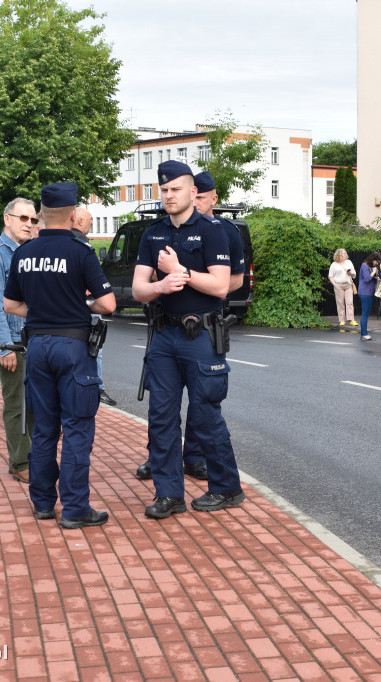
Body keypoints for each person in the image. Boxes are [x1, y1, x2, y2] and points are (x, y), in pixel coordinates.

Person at [132, 161, 243, 519]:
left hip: (202, 336)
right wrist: (160, 287)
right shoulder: (153, 234)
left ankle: (227, 488)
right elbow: (138, 289)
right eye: (163, 190)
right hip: (164, 335)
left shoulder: (213, 231)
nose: (167, 195)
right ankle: (169, 494)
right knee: (161, 416)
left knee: (205, 415)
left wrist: (180, 272)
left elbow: (222, 286)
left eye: (175, 189)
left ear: (193, 192)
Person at [3, 182, 116, 528]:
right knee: (78, 428)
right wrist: (78, 305)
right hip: (72, 346)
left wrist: (41, 312)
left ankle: (41, 503)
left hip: (37, 346)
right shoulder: (81, 253)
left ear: (42, 215)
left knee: (44, 429)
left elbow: (9, 304)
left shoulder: (23, 252)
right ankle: (75, 509)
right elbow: (108, 304)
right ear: (71, 215)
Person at [0, 197, 36, 484]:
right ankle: (20, 462)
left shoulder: (31, 253)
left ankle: (34, 456)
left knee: (36, 403)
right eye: (23, 218)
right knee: (16, 404)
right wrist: (4, 348)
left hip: (34, 338)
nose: (29, 224)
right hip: (12, 340)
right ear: (7, 219)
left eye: (33, 220)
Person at [73, 207, 117, 406]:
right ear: (79, 221)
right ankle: (96, 389)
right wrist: (89, 303)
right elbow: (107, 303)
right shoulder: (81, 246)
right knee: (93, 351)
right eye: (90, 220)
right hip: (81, 314)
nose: (91, 223)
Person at [328, 248, 357, 327]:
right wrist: (335, 285)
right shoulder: (334, 264)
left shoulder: (349, 262)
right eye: (344, 253)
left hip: (348, 285)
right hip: (338, 285)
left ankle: (351, 319)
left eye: (345, 253)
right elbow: (330, 276)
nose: (345, 254)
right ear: (339, 254)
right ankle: (342, 320)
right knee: (340, 303)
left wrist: (350, 273)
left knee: (349, 302)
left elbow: (354, 274)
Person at [357, 252, 381, 341]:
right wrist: (374, 272)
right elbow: (367, 279)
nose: (377, 263)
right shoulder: (364, 266)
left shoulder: (369, 267)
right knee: (365, 314)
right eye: (376, 261)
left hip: (369, 292)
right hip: (365, 292)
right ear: (372, 259)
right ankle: (364, 334)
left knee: (366, 314)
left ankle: (364, 333)